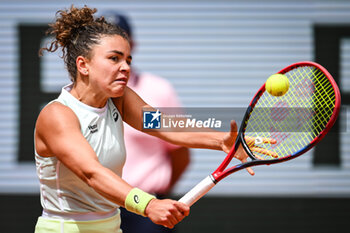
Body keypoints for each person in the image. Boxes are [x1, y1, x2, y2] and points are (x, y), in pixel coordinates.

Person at [33, 5, 255, 233]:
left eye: (128, 60)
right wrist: (149, 204)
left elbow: (165, 125)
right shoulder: (57, 115)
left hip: (111, 227)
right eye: (114, 58)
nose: (125, 67)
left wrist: (220, 141)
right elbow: (92, 173)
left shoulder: (119, 99)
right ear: (83, 65)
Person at [104, 12, 190, 233]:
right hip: (97, 208)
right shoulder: (70, 104)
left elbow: (179, 143)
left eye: (120, 39)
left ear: (132, 45)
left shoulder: (156, 91)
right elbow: (89, 173)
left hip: (145, 211)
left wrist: (222, 139)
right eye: (105, 39)